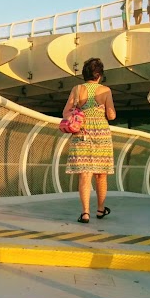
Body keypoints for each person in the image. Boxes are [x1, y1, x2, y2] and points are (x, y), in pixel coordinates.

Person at [63, 58, 116, 223]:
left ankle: (85, 213)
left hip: (82, 133)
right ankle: (100, 210)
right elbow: (111, 115)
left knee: (85, 175)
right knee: (101, 175)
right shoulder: (105, 90)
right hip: (101, 135)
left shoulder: (77, 89)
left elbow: (66, 112)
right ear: (99, 75)